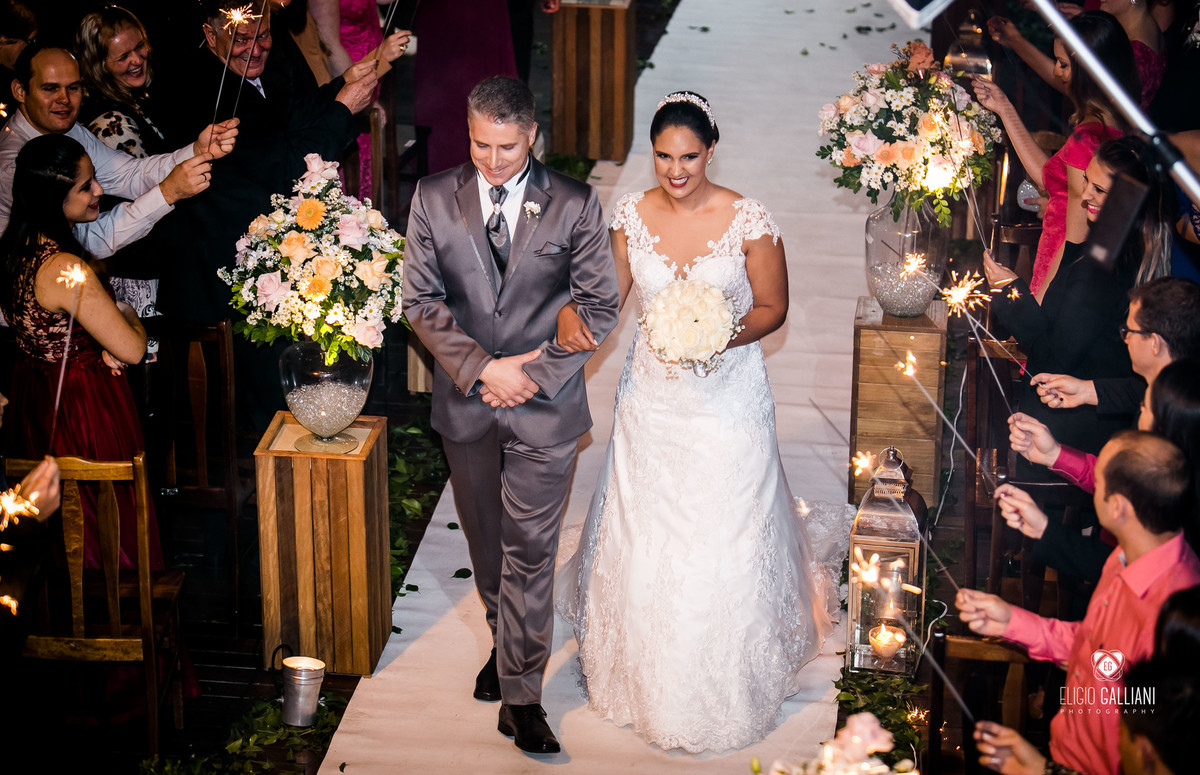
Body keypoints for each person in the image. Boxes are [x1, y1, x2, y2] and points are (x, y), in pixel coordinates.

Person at [555, 91, 836, 753]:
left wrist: (717, 334)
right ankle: (642, 666)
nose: (675, 170)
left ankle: (728, 672)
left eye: (688, 156)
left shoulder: (748, 218)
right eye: (663, 157)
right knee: (647, 526)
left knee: (726, 525)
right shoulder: (632, 215)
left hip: (728, 396)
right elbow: (605, 299)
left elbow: (772, 306)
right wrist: (569, 319)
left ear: (711, 150)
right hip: (651, 401)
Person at [401, 75, 619, 755]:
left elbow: (599, 305)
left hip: (545, 408)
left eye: (507, 147)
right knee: (488, 548)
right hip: (466, 403)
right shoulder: (433, 196)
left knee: (531, 551)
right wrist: (481, 368)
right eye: (480, 145)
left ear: (532, 135)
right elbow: (420, 300)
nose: (492, 161)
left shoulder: (575, 204)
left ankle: (522, 696)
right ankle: (506, 639)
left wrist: (530, 373)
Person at [957, 429, 1200, 775]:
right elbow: (1098, 651)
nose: (1091, 487)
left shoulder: (1175, 615)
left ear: (1118, 507)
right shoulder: (1128, 556)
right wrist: (1012, 621)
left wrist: (1042, 771)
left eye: (1098, 481)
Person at [0, 134, 163, 570]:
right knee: (97, 524)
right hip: (82, 407)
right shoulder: (63, 267)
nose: (99, 191)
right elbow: (132, 349)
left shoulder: (14, 250)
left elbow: (49, 330)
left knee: (50, 527)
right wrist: (127, 312)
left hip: (32, 397)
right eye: (85, 185)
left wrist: (93, 341)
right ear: (53, 198)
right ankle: (108, 606)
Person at [0, 43, 238, 259]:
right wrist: (167, 193)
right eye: (50, 89)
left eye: (73, 88)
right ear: (20, 90)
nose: (64, 99)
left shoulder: (67, 129)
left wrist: (197, 150)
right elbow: (88, 240)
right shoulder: (13, 166)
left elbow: (128, 174)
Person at [973, 11, 1138, 297]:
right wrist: (1004, 107)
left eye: (1063, 64)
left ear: (1088, 70)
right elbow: (1050, 177)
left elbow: (1075, 239)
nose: (1056, 72)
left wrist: (1041, 300)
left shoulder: (1089, 137)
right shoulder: (1118, 124)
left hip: (1060, 262)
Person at [1029, 276, 1200, 416]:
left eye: (1129, 331)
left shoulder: (1170, 420)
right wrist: (1083, 390)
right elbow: (1135, 392)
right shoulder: (1176, 393)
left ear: (1155, 343)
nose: (1126, 339)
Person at [306, 0, 410, 199]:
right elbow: (329, 47)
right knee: (349, 158)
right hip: (346, 72)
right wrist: (363, 85)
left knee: (366, 151)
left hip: (370, 67)